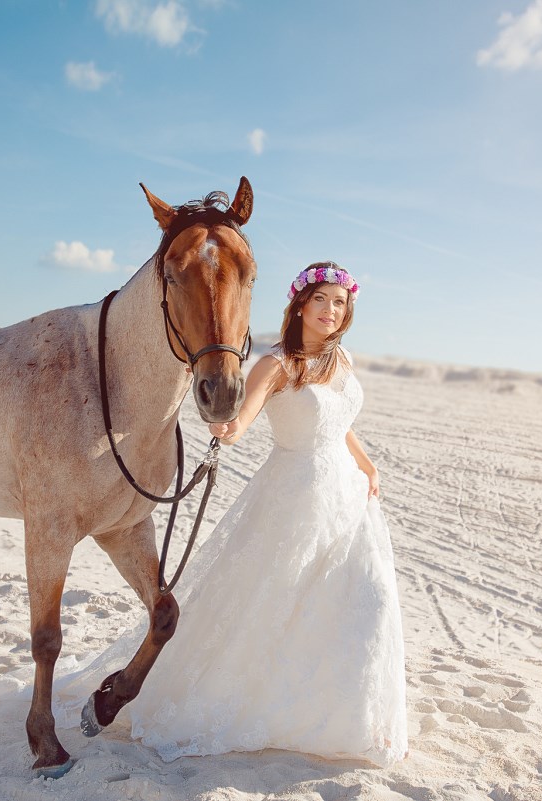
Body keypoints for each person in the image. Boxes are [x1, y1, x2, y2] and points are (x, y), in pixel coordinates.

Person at [46, 261, 408, 766]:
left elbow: (340, 421)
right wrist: (224, 428)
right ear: (300, 304)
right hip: (296, 497)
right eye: (320, 299)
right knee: (274, 603)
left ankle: (353, 715)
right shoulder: (277, 364)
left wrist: (367, 465)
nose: (330, 310)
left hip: (348, 497)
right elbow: (242, 422)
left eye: (339, 303)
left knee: (362, 599)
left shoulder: (339, 359)